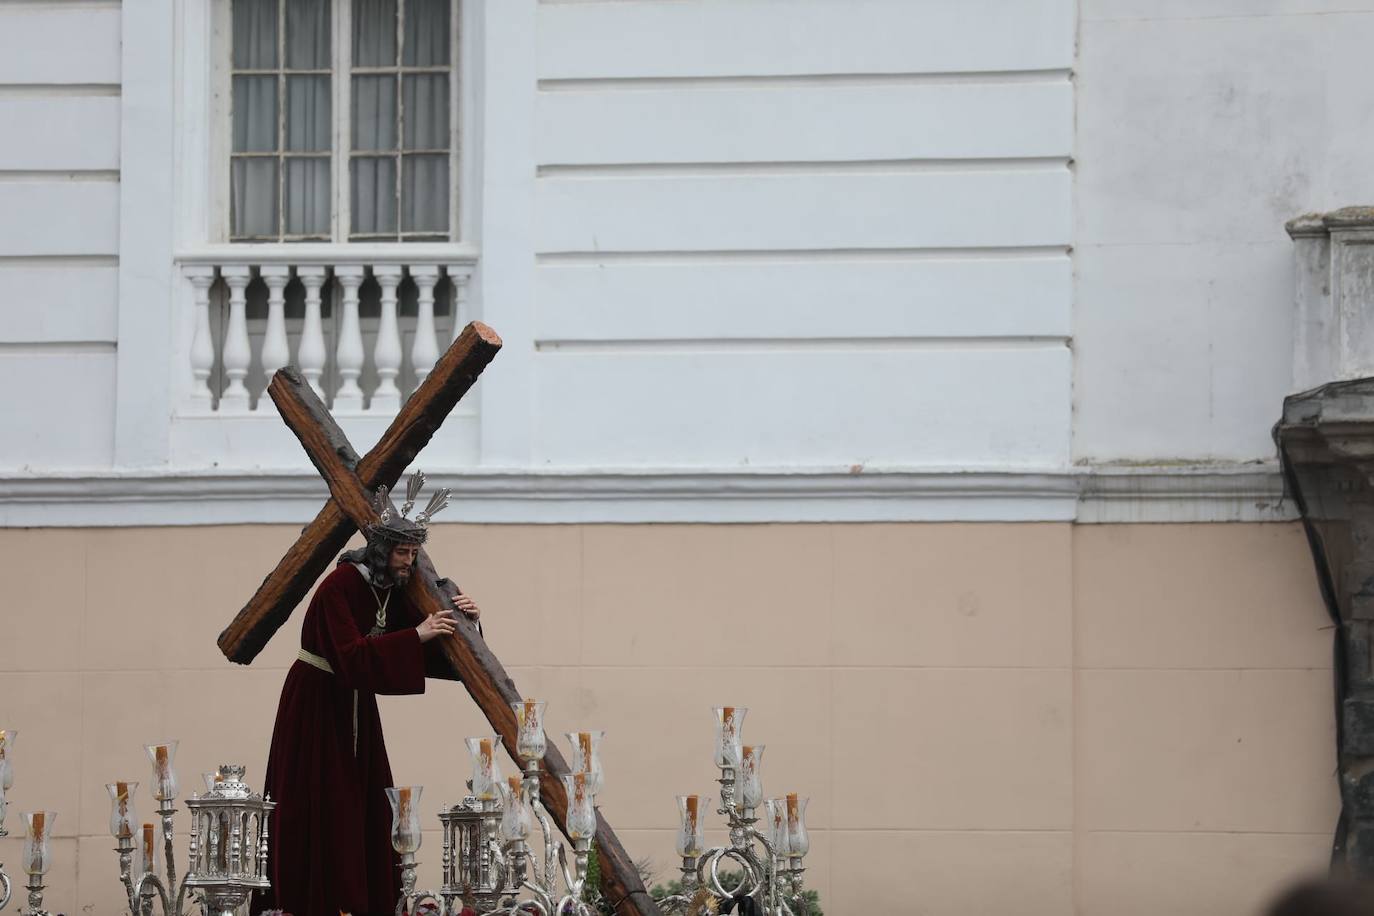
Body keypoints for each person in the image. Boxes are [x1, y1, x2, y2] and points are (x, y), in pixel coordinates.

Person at [257, 473, 480, 916]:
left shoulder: (389, 589)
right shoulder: (337, 588)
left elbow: (431, 651)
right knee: (323, 804)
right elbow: (352, 657)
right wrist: (418, 633)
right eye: (402, 552)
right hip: (318, 704)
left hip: (355, 705)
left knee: (363, 805)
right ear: (381, 550)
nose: (408, 562)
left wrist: (467, 620)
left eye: (414, 553)